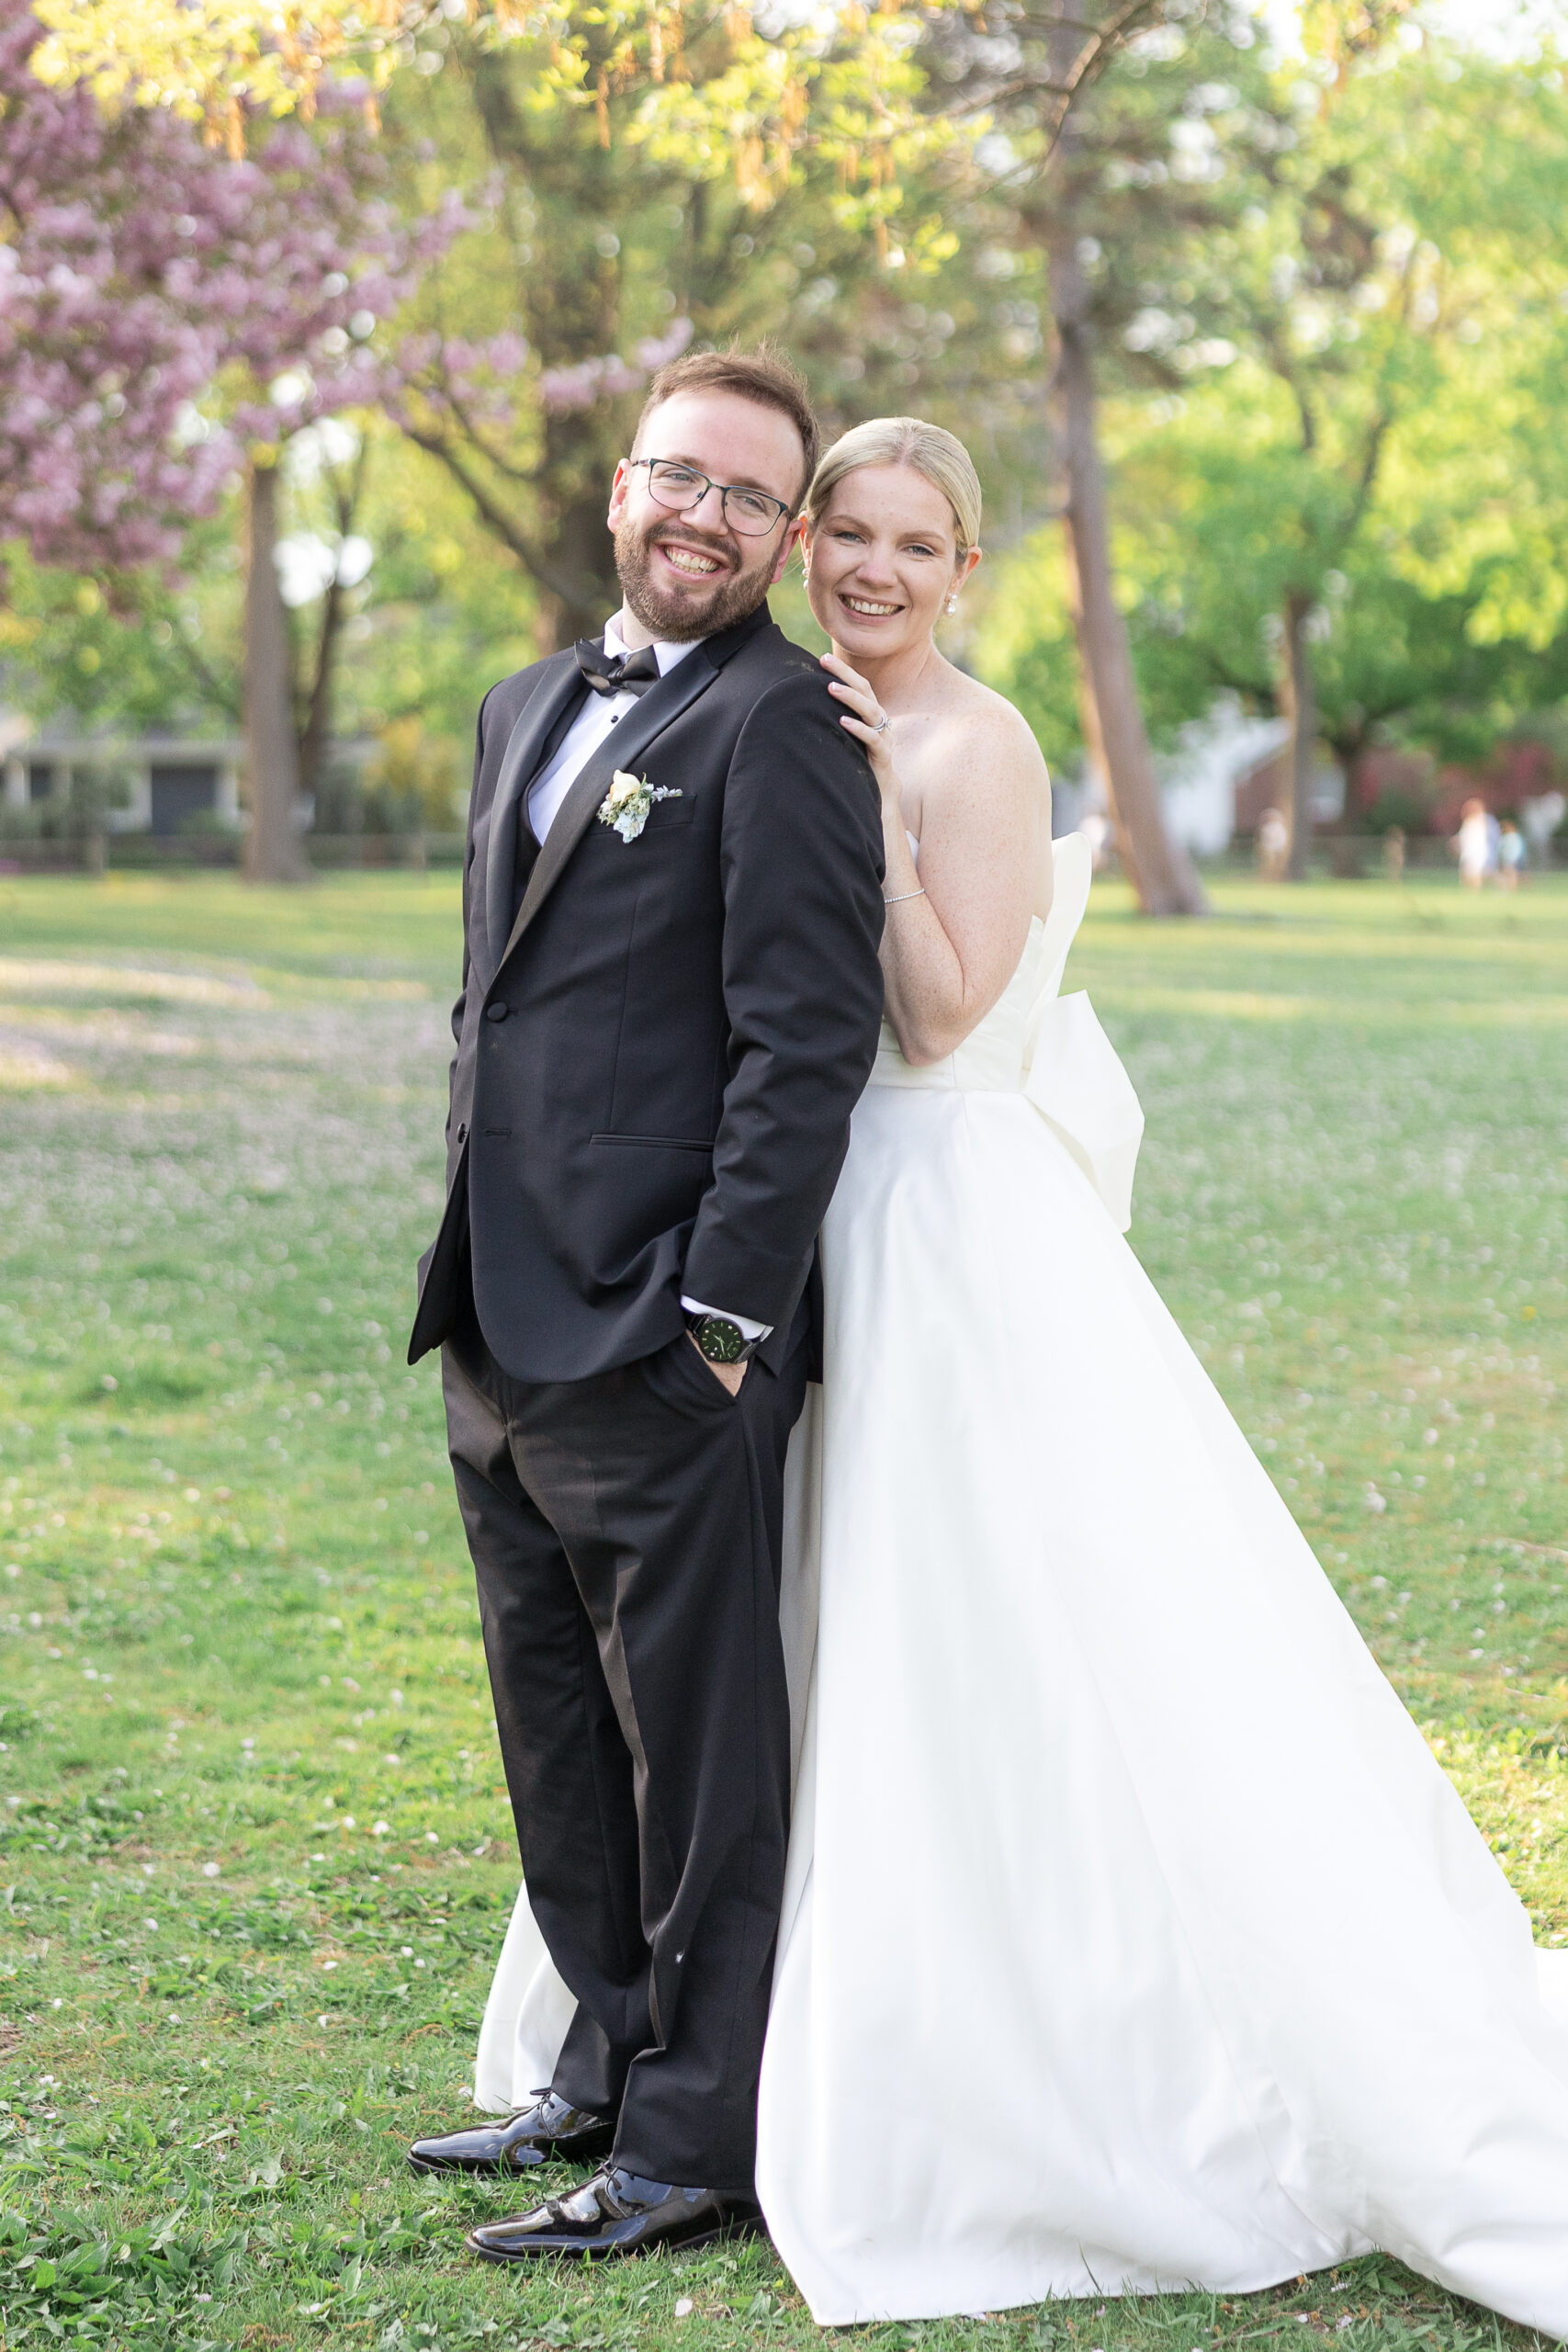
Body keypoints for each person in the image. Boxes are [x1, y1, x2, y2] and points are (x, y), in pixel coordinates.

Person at [476, 418, 1568, 2337]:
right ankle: (689, 2040)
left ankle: (972, 2046)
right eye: (852, 537)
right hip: (815, 1219)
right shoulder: (776, 705)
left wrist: (873, 804)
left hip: (937, 1217)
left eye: (916, 544)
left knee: (981, 1627)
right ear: (807, 546)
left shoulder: (962, 740)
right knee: (760, 1645)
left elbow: (937, 1004)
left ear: (965, 565)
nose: (875, 571)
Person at [402, 345, 886, 2264]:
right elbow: (493, 1000)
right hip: (496, 1312)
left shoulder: (782, 726)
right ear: (623, 483)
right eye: (678, 474)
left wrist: (725, 1318)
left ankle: (693, 2140)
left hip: (663, 1331)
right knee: (552, 1714)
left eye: (748, 497)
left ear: (778, 536)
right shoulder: (527, 697)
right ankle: (600, 2061)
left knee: (696, 1748)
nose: (703, 514)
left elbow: (802, 1041)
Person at [1456, 795, 1498, 887]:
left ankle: (1503, 883)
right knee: (1467, 874)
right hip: (1469, 852)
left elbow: (1493, 835)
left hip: (1480, 852)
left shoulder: (1487, 820)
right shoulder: (1469, 822)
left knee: (1480, 874)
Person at [1497, 816, 1526, 889]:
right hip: (1510, 859)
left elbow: (1515, 849)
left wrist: (1512, 858)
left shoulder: (1511, 837)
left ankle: (1512, 888)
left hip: (1511, 859)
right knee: (1509, 873)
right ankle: (1510, 887)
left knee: (1510, 873)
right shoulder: (1510, 837)